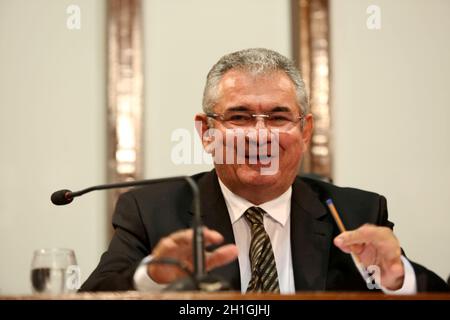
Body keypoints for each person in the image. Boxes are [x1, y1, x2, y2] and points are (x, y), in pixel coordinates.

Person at [81, 48, 448, 293]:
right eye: (239, 117)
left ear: (304, 131)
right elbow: (90, 297)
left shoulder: (355, 213)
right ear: (207, 133)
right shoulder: (151, 211)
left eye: (278, 117)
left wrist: (399, 279)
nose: (260, 136)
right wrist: (154, 277)